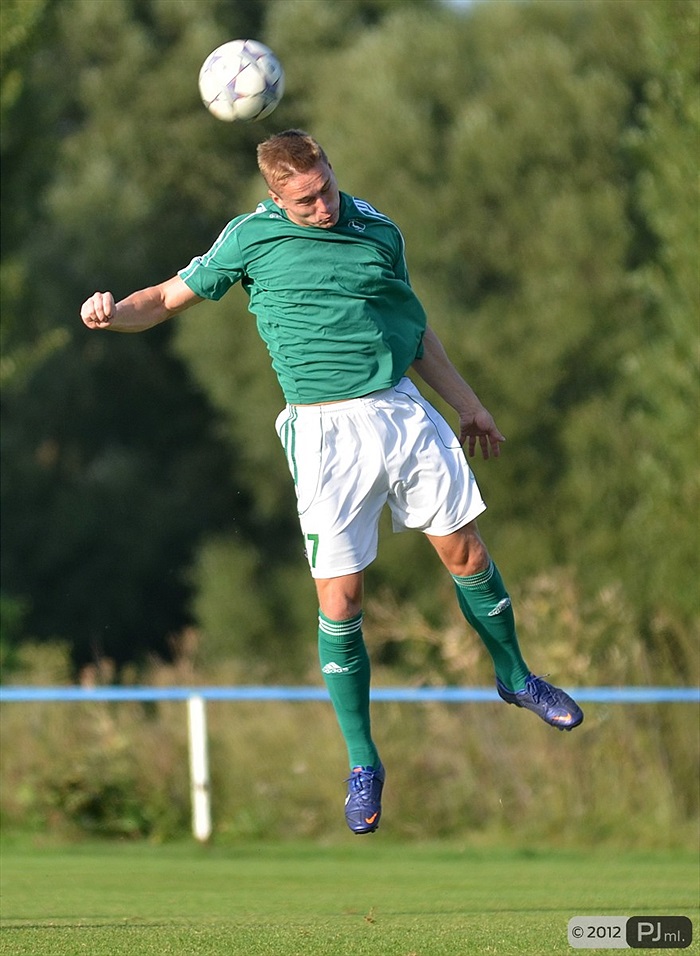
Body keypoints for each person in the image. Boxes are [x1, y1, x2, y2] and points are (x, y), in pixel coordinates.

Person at [80, 129, 583, 836]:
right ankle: (362, 760)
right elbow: (164, 297)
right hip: (322, 434)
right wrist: (110, 313)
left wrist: (467, 403)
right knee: (342, 599)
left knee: (465, 553)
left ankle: (515, 675)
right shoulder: (249, 240)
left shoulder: (377, 229)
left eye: (326, 188)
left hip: (401, 413)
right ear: (276, 196)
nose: (321, 206)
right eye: (305, 200)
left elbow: (413, 329)